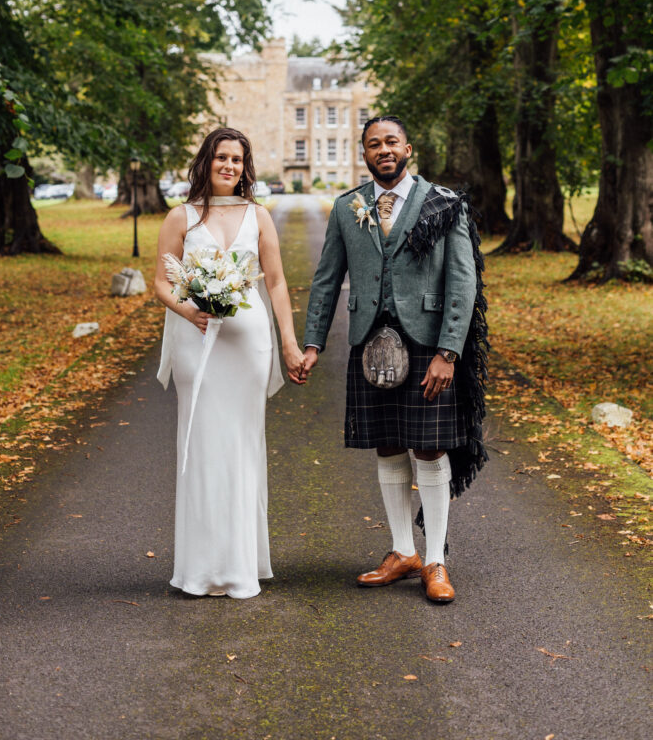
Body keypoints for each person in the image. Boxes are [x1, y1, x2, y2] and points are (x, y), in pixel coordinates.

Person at [301, 116, 488, 603]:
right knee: (387, 445)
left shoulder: (443, 204)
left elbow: (462, 282)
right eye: (373, 144)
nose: (383, 150)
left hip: (428, 344)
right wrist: (312, 343)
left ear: (409, 147)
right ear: (363, 153)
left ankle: (435, 561)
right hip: (369, 343)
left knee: (428, 448)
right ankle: (402, 551)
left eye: (391, 142)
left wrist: (449, 350)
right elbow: (326, 280)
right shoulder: (349, 207)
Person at [155, 127, 305, 599]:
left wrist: (289, 343)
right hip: (195, 344)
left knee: (241, 448)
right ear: (206, 161)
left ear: (246, 167)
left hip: (248, 347)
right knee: (201, 446)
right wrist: (189, 311)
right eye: (221, 157)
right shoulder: (180, 217)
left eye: (237, 160)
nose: (229, 166)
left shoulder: (259, 216)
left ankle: (241, 564)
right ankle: (200, 568)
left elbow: (276, 283)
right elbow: (161, 282)